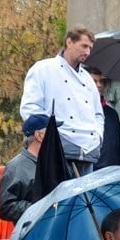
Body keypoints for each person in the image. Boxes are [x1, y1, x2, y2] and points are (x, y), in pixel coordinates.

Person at [20, 25, 104, 176]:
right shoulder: (43, 69)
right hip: (57, 149)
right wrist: (49, 136)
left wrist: (98, 136)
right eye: (84, 46)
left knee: (84, 200)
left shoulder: (88, 78)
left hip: (89, 151)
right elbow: (30, 108)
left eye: (90, 48)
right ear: (69, 42)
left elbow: (98, 115)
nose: (87, 52)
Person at [85, 65, 120, 168]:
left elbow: (118, 144)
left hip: (111, 170)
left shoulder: (112, 113)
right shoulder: (80, 111)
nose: (99, 85)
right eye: (94, 81)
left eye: (101, 81)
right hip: (89, 169)